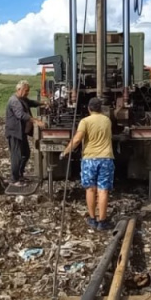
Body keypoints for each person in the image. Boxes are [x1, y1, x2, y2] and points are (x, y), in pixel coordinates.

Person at [60, 97, 114, 230]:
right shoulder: (107, 120)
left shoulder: (85, 121)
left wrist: (65, 152)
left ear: (89, 108)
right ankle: (102, 221)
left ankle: (92, 219)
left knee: (90, 189)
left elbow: (77, 139)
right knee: (103, 190)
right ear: (100, 108)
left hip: (90, 159)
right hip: (106, 159)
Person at [5, 80, 42, 187]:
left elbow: (31, 102)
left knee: (26, 153)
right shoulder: (14, 101)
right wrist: (35, 121)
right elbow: (20, 114)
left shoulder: (22, 99)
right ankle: (14, 179)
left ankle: (20, 174)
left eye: (28, 91)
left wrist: (42, 103)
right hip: (14, 132)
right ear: (19, 90)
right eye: (26, 91)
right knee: (16, 156)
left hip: (22, 132)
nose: (27, 93)